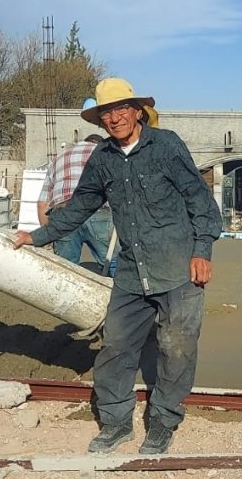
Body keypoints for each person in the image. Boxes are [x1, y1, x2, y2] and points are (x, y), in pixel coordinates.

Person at [14, 78, 221, 455]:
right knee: (115, 348)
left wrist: (202, 250)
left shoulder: (167, 146)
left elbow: (199, 199)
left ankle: (162, 423)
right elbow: (79, 206)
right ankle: (116, 424)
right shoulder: (103, 159)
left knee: (176, 349)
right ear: (100, 120)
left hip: (178, 268)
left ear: (137, 110)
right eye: (106, 112)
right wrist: (36, 236)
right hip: (131, 272)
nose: (115, 117)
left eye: (121, 108)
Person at [36, 131, 113, 270]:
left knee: (66, 269)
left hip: (63, 213)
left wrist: (47, 236)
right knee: (114, 265)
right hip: (96, 211)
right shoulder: (105, 153)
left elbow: (42, 203)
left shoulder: (58, 158)